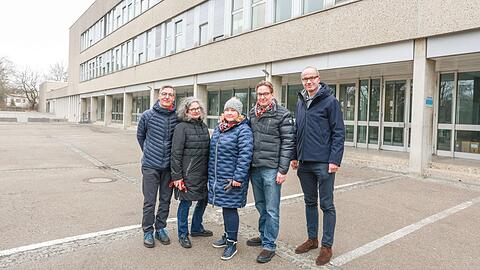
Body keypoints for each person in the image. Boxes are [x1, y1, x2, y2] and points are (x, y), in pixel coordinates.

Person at [290, 66, 345, 265]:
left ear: (319, 79)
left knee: (327, 205)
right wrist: (294, 156)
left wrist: (334, 160)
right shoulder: (300, 102)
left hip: (323, 163)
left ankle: (326, 246)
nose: (309, 81)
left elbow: (338, 132)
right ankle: (312, 239)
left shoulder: (330, 102)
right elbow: (297, 130)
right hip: (304, 163)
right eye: (305, 78)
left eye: (312, 77)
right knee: (309, 202)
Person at [246, 81, 295, 263]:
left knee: (272, 209)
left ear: (272, 94)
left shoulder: (282, 114)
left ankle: (269, 245)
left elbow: (288, 143)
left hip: (272, 169)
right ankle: (263, 234)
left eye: (266, 93)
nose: (262, 97)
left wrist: (283, 169)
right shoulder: (252, 113)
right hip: (255, 168)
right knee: (260, 205)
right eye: (259, 94)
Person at [208, 97, 253, 260]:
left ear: (239, 113)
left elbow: (245, 155)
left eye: (233, 110)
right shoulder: (220, 128)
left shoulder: (243, 130)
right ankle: (227, 235)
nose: (229, 113)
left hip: (232, 178)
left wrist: (238, 177)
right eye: (227, 110)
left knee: (230, 208)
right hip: (219, 176)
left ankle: (232, 243)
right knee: (225, 207)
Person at [136, 86, 177, 248]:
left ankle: (160, 228)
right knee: (149, 201)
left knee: (165, 200)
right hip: (150, 166)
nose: (167, 97)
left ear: (174, 98)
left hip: (168, 167)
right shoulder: (147, 115)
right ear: (159, 96)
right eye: (164, 94)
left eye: (170, 95)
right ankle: (147, 230)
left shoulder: (177, 117)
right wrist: (148, 152)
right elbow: (140, 136)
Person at [170, 97, 212, 249]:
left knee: (204, 199)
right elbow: (175, 154)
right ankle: (183, 234)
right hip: (187, 174)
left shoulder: (203, 126)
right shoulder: (181, 127)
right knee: (186, 203)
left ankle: (196, 228)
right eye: (192, 109)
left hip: (203, 173)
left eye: (197, 108)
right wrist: (177, 177)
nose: (195, 111)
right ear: (186, 111)